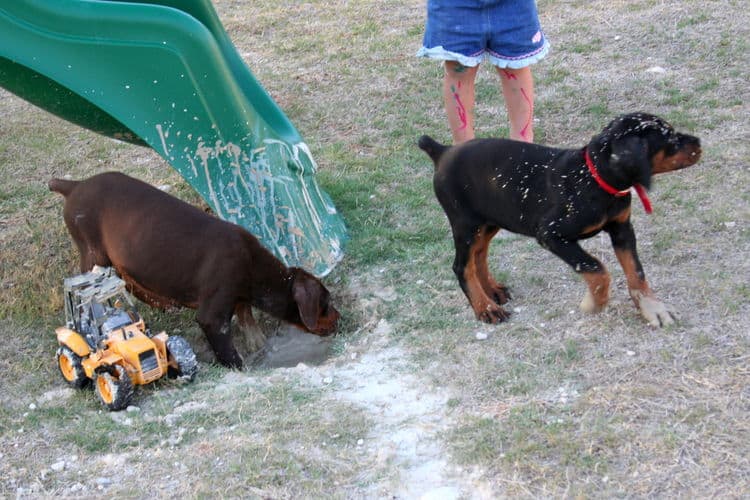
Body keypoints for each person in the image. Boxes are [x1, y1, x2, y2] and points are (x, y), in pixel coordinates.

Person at [417, 0, 549, 144]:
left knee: (515, 66)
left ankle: (522, 148)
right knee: (459, 70)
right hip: (453, 6)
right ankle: (464, 152)